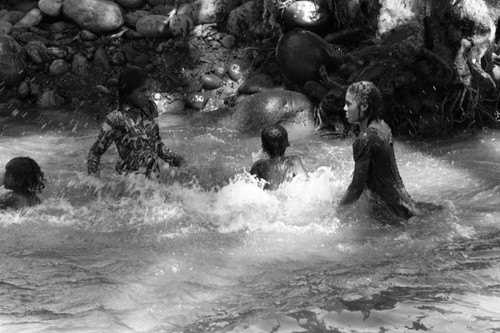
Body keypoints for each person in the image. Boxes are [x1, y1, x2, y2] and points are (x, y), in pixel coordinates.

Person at [339, 81, 439, 223]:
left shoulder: (365, 139)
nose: (344, 108)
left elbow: (356, 188)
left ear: (365, 106)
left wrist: (337, 213)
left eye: (349, 104)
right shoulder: (382, 126)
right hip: (402, 201)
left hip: (387, 209)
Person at [87, 67, 183, 178]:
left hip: (154, 182)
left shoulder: (150, 108)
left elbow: (155, 142)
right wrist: (94, 182)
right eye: (142, 90)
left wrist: (176, 160)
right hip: (130, 185)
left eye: (148, 89)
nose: (148, 94)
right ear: (128, 93)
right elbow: (94, 153)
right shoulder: (117, 118)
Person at [250, 124, 308, 190]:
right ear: (287, 144)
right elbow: (304, 180)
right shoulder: (294, 161)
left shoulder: (258, 166)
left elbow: (250, 187)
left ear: (263, 148)